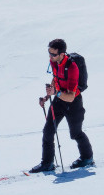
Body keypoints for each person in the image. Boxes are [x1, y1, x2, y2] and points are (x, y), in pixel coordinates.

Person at [29, 38, 94, 172]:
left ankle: (87, 158)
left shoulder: (72, 68)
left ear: (62, 53)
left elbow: (70, 97)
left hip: (73, 103)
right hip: (58, 100)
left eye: (53, 54)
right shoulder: (53, 62)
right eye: (49, 53)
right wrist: (47, 96)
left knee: (76, 133)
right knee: (48, 131)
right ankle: (47, 163)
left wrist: (56, 93)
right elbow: (56, 78)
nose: (50, 56)